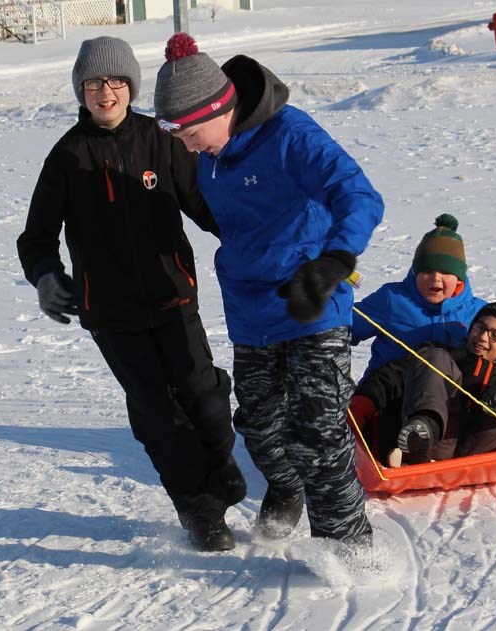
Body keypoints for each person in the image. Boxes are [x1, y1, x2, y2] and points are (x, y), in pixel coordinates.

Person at [152, 33, 384, 549]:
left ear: (216, 108)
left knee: (317, 433)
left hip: (313, 300)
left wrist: (335, 259)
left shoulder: (290, 135)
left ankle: (349, 548)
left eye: (188, 132)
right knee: (258, 426)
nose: (185, 147)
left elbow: (358, 194)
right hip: (251, 309)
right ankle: (286, 486)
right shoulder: (211, 152)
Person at [16, 36, 246, 552]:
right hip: (111, 312)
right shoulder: (66, 158)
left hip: (174, 296)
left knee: (204, 396)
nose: (106, 91)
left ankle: (220, 461)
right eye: (94, 82)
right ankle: (200, 510)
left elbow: (205, 205)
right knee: (157, 414)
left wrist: (258, 242)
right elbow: (35, 237)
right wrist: (47, 277)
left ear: (131, 87)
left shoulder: (161, 140)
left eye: (116, 81)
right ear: (81, 90)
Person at [353, 302, 496, 466]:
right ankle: (423, 429)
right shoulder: (443, 354)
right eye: (480, 327)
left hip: (473, 447)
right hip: (431, 441)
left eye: (495, 336)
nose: (483, 337)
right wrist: (363, 404)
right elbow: (390, 377)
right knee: (433, 358)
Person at [351, 214, 487, 380]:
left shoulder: (479, 313)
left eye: (445, 272)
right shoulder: (392, 299)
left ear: (459, 278)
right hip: (385, 395)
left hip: (449, 401)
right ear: (415, 273)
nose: (435, 278)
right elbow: (345, 326)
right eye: (427, 271)